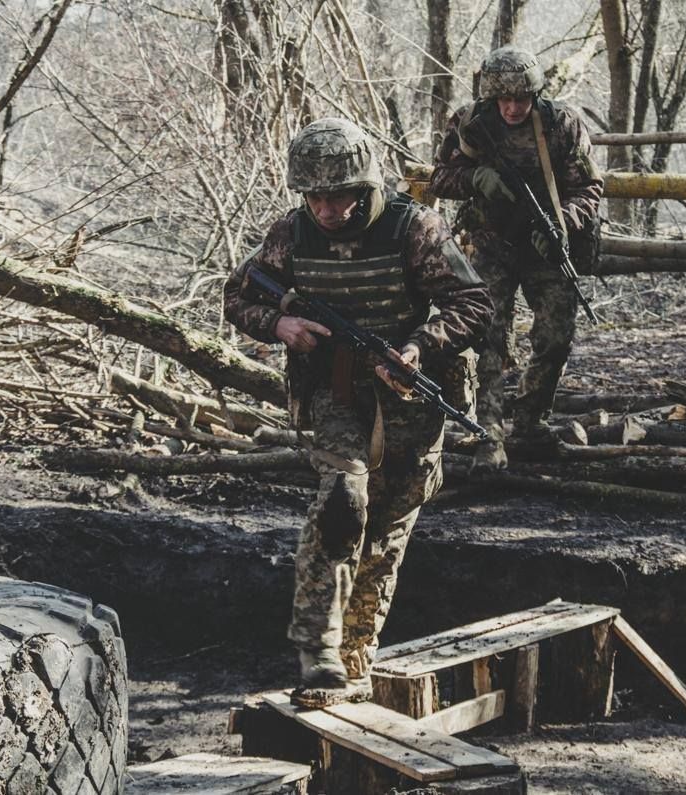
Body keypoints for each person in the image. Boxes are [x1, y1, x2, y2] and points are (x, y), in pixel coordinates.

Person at [224, 118, 494, 707]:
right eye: (314, 196)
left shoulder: (413, 229)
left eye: (337, 195)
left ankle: (354, 661)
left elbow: (473, 302)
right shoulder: (291, 235)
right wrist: (279, 324)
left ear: (364, 184)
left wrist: (421, 346)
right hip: (336, 394)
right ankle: (318, 654)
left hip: (412, 397)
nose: (325, 209)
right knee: (343, 501)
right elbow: (238, 294)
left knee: (384, 538)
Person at [430, 45, 604, 473]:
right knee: (488, 339)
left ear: (535, 95)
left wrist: (563, 224)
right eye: (503, 100)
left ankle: (529, 423)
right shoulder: (471, 124)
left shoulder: (561, 124)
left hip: (545, 245)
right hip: (489, 243)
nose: (512, 108)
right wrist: (476, 177)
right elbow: (439, 176)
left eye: (520, 100)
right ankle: (489, 431)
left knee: (556, 337)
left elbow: (590, 187)